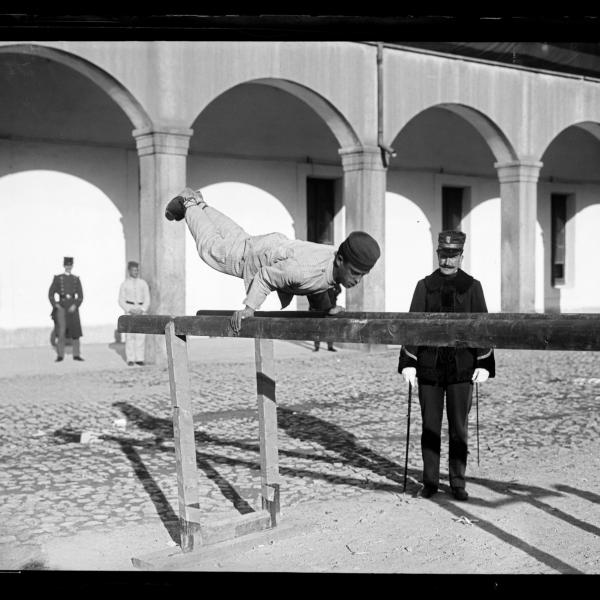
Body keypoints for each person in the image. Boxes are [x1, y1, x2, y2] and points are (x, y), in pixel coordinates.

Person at [165, 187, 381, 332]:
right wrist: (250, 308)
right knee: (211, 249)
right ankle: (188, 203)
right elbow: (265, 276)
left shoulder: (332, 257)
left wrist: (326, 309)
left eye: (363, 275)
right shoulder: (303, 271)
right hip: (256, 258)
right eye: (355, 273)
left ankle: (199, 204)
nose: (358, 280)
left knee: (235, 237)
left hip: (272, 246)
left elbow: (318, 284)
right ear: (341, 260)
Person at [397, 230, 495, 502]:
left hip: (462, 369)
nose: (448, 261)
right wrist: (409, 362)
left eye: (453, 256)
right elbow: (412, 326)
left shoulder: (473, 287)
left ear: (462, 256)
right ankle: (429, 482)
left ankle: (457, 482)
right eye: (443, 255)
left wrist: (484, 362)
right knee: (430, 426)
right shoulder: (424, 286)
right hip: (429, 368)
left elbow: (483, 327)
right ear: (437, 254)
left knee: (458, 428)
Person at [48, 256, 84, 362]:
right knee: (61, 331)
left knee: (75, 331)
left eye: (70, 265)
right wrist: (56, 305)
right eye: (67, 265)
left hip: (73, 307)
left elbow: (81, 296)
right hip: (62, 307)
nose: (68, 267)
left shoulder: (76, 279)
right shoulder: (58, 278)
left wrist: (75, 305)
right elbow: (51, 294)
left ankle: (76, 354)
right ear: (64, 266)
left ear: (72, 266)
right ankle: (60, 355)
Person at [118, 260, 151, 366]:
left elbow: (147, 298)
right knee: (130, 335)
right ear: (129, 271)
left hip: (141, 311)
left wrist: (142, 309)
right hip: (130, 311)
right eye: (133, 270)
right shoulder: (125, 284)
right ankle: (130, 358)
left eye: (137, 270)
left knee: (140, 335)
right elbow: (121, 300)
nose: (136, 272)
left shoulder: (143, 283)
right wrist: (129, 309)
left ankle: (140, 358)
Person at [308, 284, 341, 352]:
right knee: (317, 328)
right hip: (317, 309)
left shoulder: (332, 282)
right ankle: (317, 347)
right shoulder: (317, 282)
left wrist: (334, 295)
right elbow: (309, 293)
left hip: (330, 308)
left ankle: (330, 346)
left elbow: (339, 289)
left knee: (330, 328)